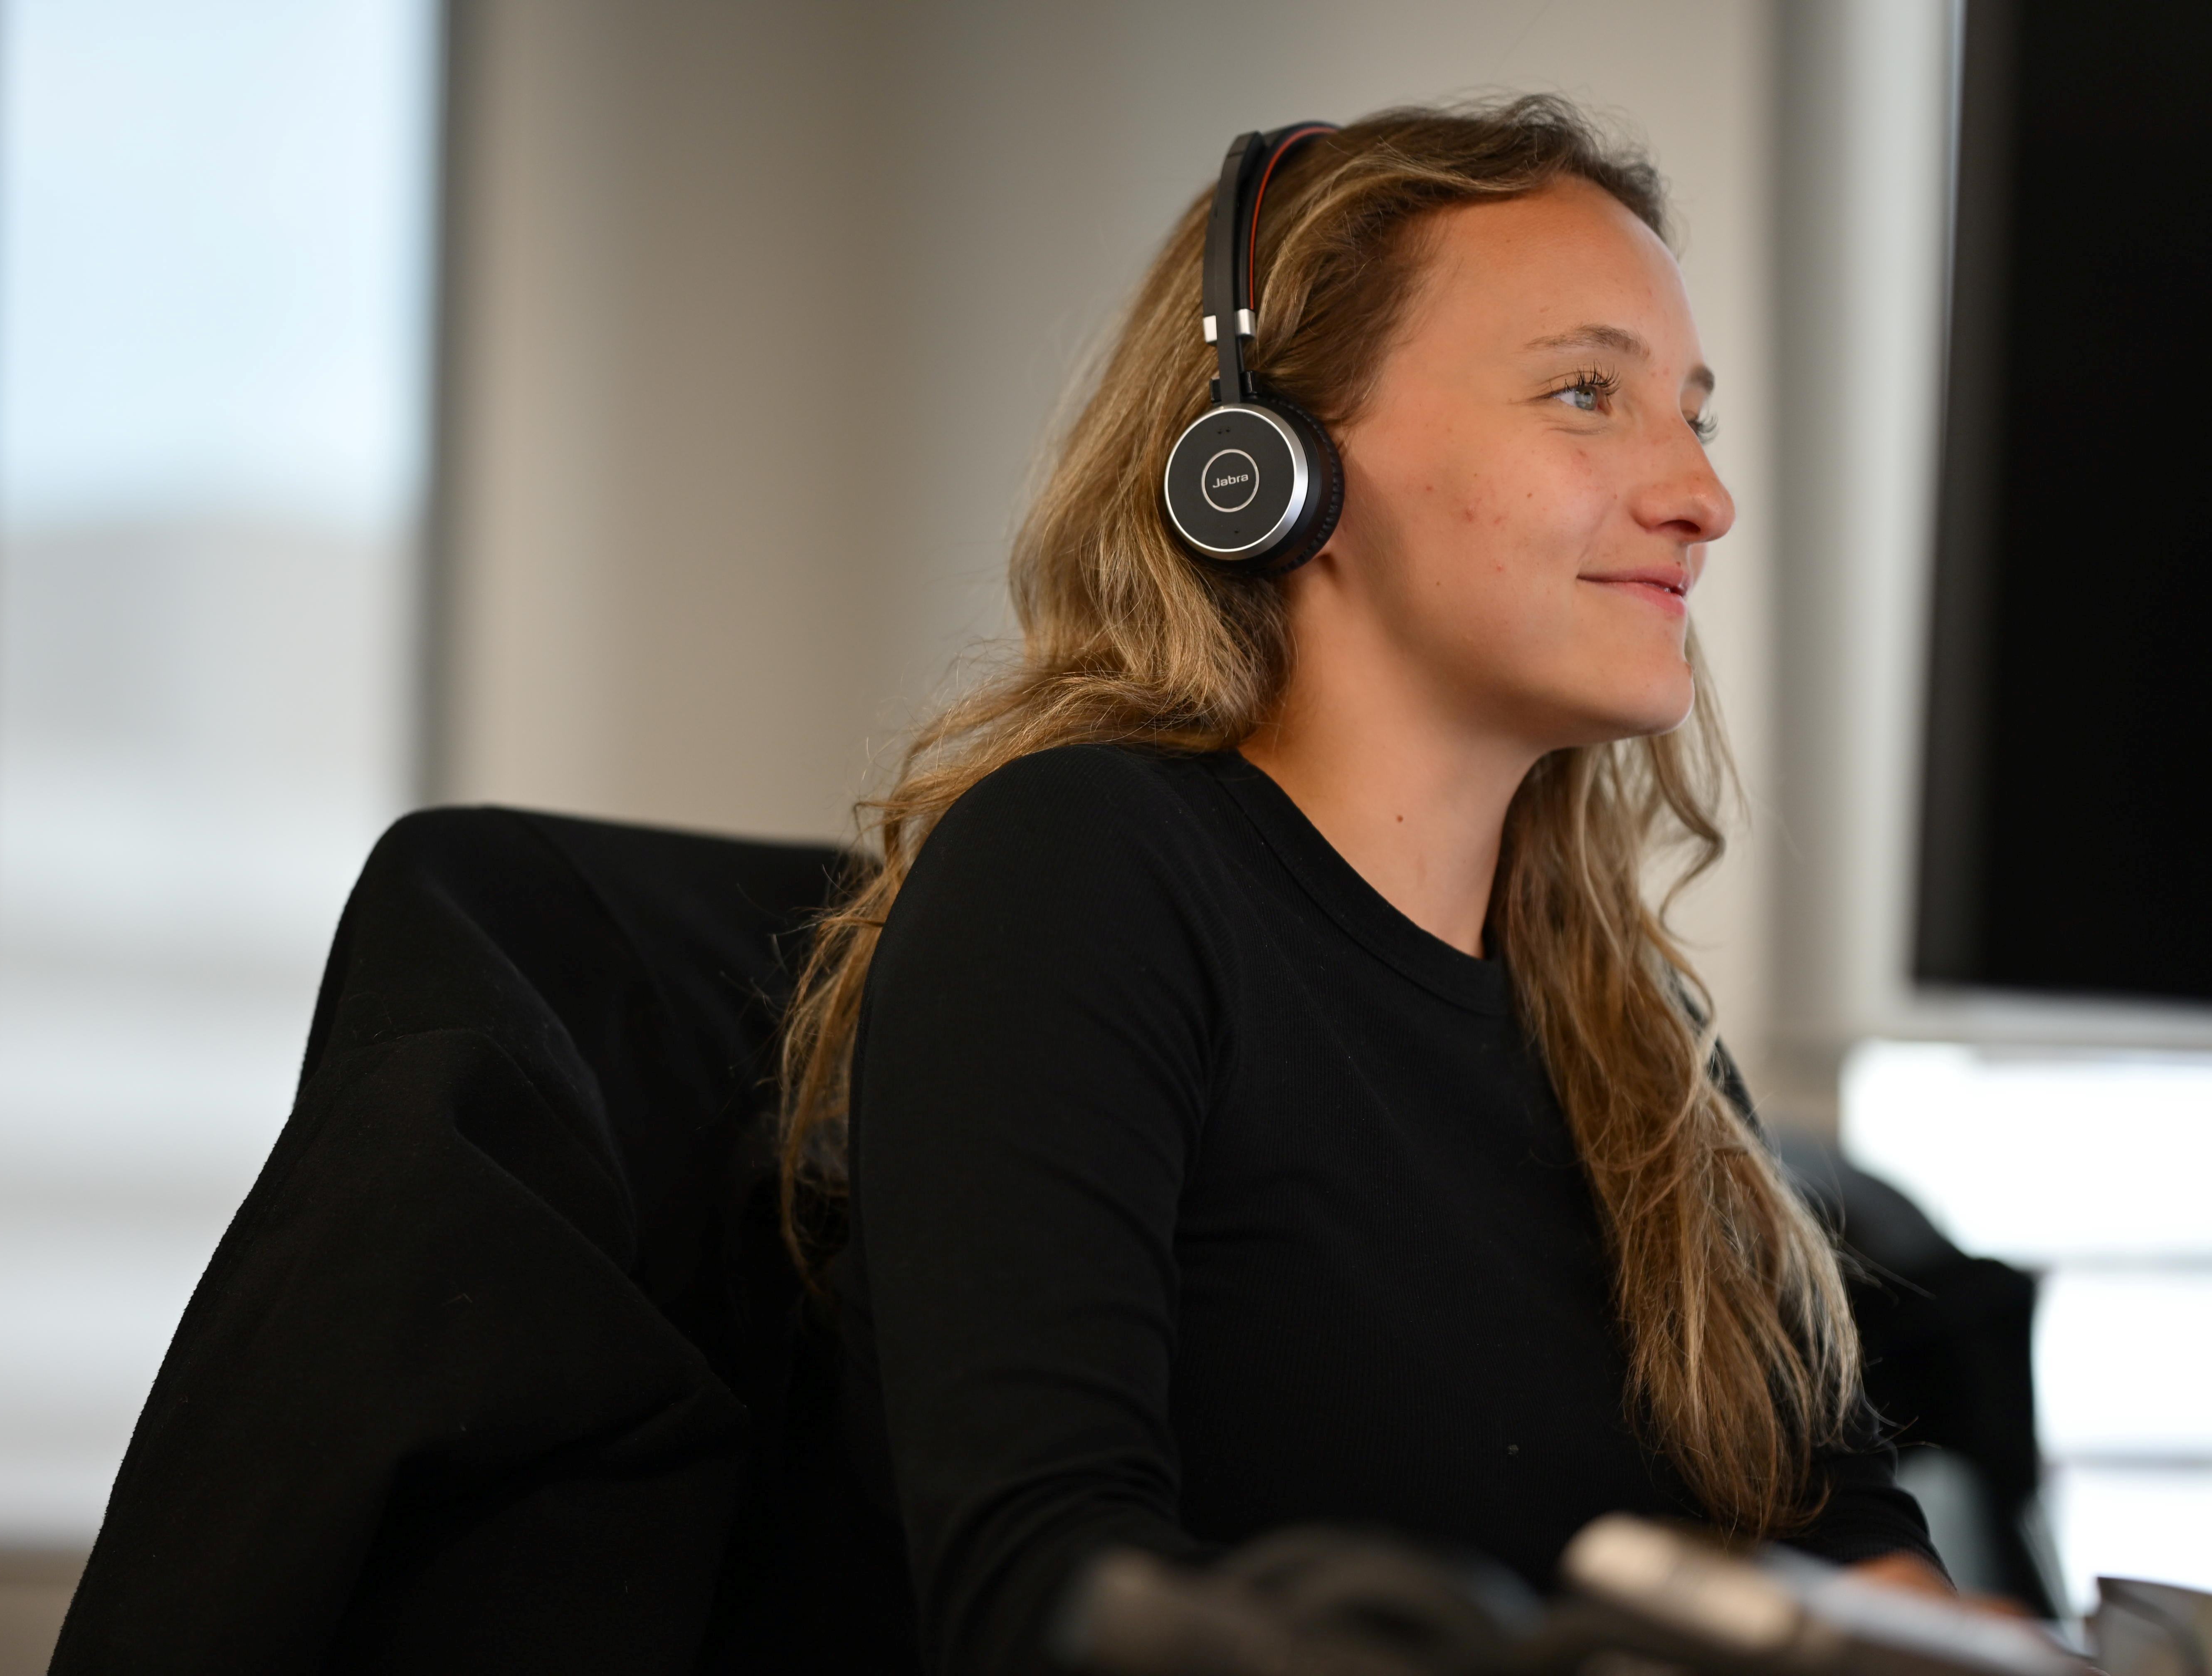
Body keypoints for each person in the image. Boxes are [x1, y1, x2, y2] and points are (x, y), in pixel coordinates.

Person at [778, 98, 1946, 1676]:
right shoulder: (1083, 878)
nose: (1701, 498)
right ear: (1269, 466)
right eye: (1588, 394)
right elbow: (1040, 1596)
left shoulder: (1629, 1026)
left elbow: (1846, 1540)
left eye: (1696, 416)